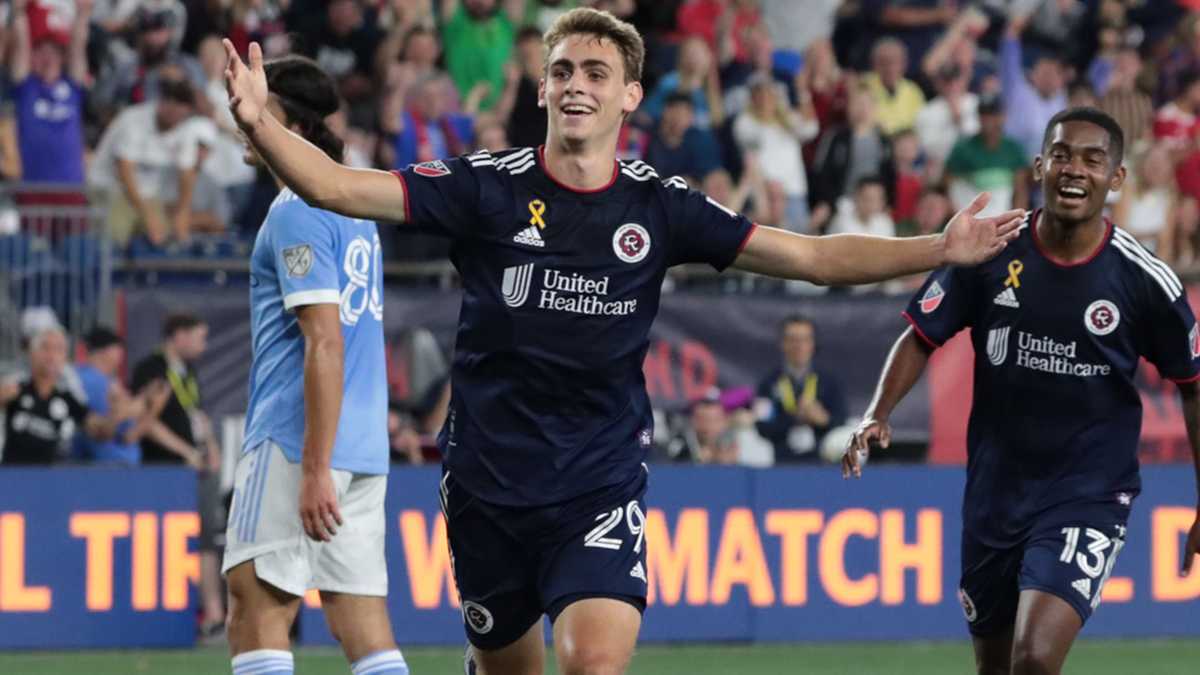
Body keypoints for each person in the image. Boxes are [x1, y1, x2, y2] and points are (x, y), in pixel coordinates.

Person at [222, 8, 1022, 673]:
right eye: (563, 71)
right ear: (541, 87)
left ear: (629, 95)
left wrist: (937, 249)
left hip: (597, 482)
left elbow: (809, 256)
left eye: (595, 74)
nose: (576, 86)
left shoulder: (662, 206)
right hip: (487, 485)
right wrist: (260, 121)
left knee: (593, 663)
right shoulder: (483, 187)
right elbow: (334, 185)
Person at [843, 108, 1200, 675]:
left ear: (1117, 179)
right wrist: (876, 412)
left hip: (1089, 492)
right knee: (995, 667)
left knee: (1033, 659)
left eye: (1092, 159)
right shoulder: (991, 250)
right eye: (1061, 155)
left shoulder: (1142, 279)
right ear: (1038, 166)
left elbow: (1193, 385)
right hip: (996, 493)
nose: (1073, 169)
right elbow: (920, 335)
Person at [219, 55, 408, 675]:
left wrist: (313, 467)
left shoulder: (298, 208)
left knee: (256, 611)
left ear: (289, 124)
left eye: (257, 111)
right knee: (364, 626)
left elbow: (324, 342)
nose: (244, 126)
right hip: (362, 446)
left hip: (297, 444)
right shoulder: (353, 209)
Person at [130, 313, 226, 640]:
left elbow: (197, 413)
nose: (203, 344)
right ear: (178, 335)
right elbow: (145, 420)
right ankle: (165, 618)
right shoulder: (151, 368)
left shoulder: (188, 372)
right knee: (169, 542)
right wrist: (187, 452)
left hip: (194, 469)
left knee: (206, 538)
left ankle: (213, 615)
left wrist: (211, 447)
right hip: (163, 469)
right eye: (199, 336)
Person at [1, 326, 160, 465]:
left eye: (59, 350)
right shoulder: (14, 389)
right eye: (45, 348)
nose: (51, 356)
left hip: (49, 481)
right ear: (32, 353)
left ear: (65, 358)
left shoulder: (68, 399)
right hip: (11, 478)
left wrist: (119, 414)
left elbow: (101, 433)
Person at [755, 315, 846, 464]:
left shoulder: (829, 382)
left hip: (824, 463)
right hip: (781, 463)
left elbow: (842, 421)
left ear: (813, 344)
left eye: (805, 339)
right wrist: (794, 418)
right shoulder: (768, 382)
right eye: (793, 339)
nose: (799, 346)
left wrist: (824, 420)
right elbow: (762, 426)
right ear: (782, 344)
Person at [74, 327, 168, 465]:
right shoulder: (90, 380)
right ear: (108, 351)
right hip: (105, 466)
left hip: (121, 465)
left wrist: (152, 405)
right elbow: (109, 429)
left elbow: (132, 431)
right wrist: (143, 402)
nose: (121, 355)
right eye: (118, 349)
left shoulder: (108, 380)